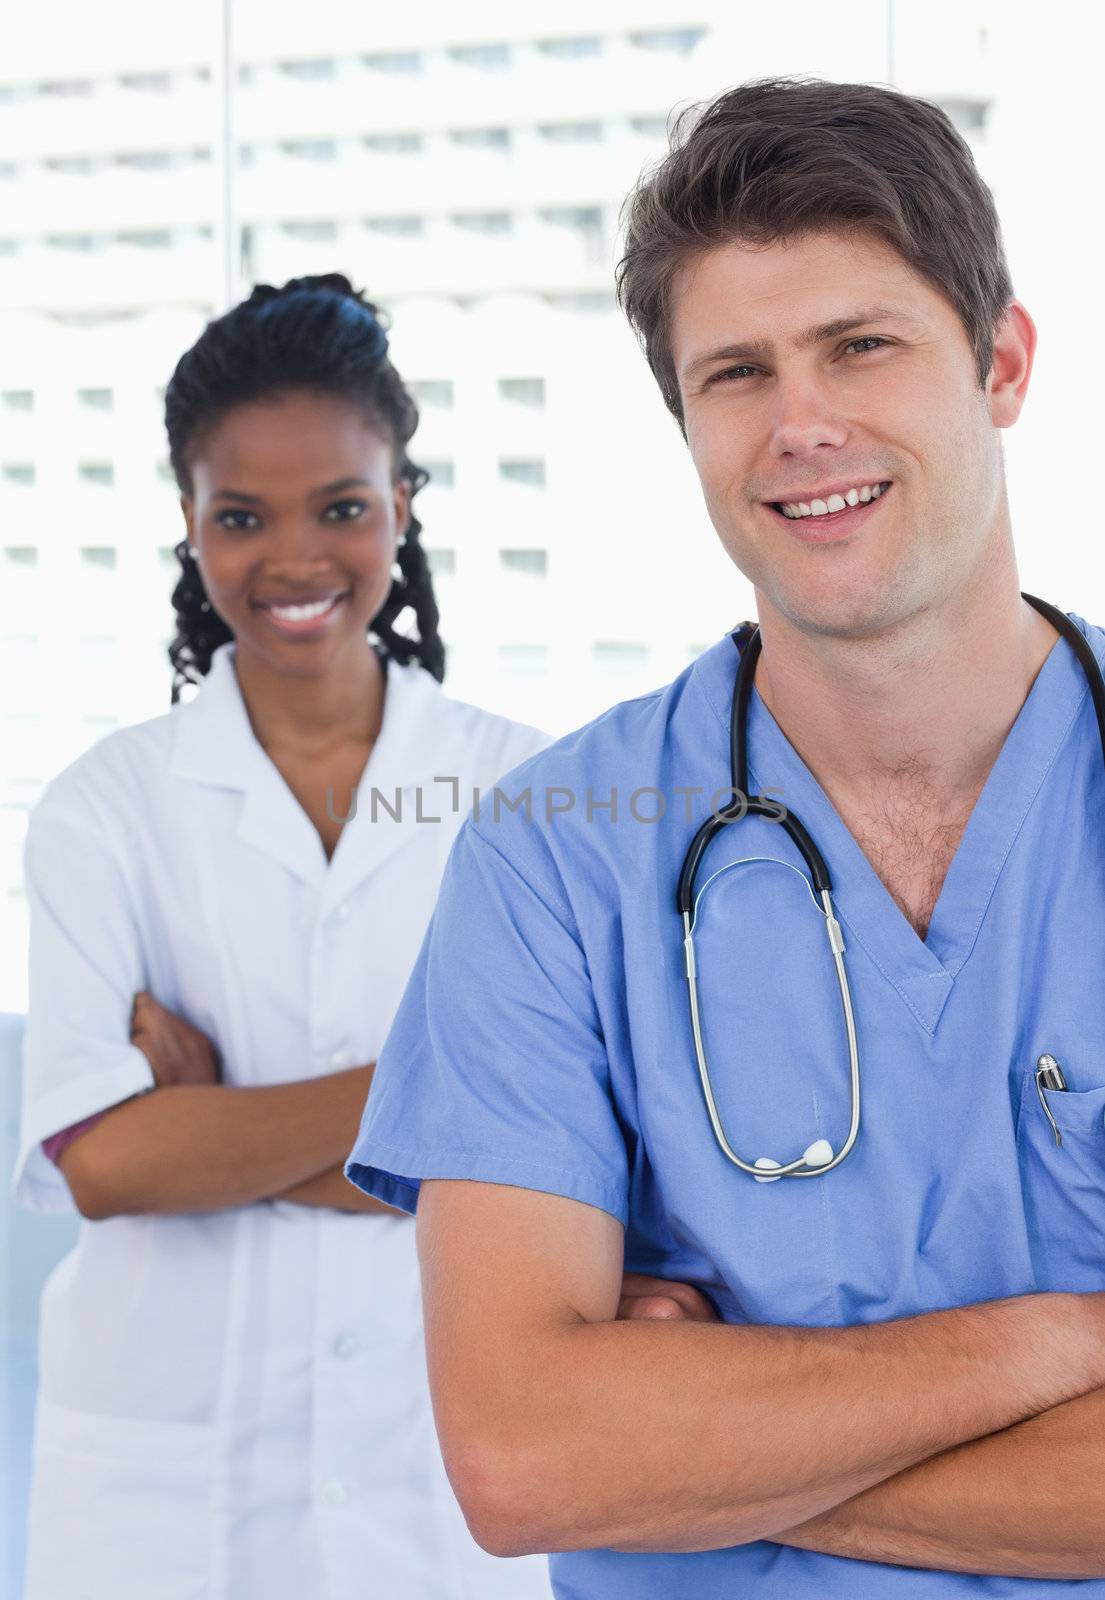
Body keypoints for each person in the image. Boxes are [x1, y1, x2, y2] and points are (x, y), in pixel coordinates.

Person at [345, 78, 1105, 1596]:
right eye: (735, 373)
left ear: (1001, 361)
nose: (799, 423)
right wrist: (1060, 1343)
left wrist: (704, 1460)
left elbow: (598, 1464)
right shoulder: (554, 854)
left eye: (860, 345)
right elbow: (526, 1460)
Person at [12, 275, 559, 1598]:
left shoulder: (527, 792)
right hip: (163, 1487)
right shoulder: (107, 807)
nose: (294, 558)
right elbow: (107, 1163)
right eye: (240, 516)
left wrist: (215, 1126)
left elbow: (561, 1162)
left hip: (434, 1461)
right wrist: (434, 1107)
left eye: (343, 507)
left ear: (403, 507)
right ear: (190, 527)